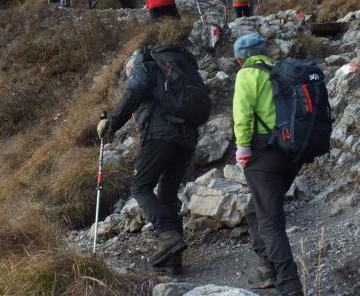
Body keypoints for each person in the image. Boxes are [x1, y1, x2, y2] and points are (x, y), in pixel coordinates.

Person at [97, 46, 208, 274]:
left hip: (160, 135)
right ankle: (174, 261)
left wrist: (111, 124)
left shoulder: (144, 66)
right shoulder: (178, 72)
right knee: (167, 194)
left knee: (140, 186)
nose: (130, 75)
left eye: (129, 72)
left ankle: (168, 237)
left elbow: (133, 92)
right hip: (186, 138)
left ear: (131, 65)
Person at [232, 33, 304, 296]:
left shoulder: (247, 74)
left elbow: (242, 115)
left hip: (265, 154)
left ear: (240, 58)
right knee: (257, 210)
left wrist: (242, 149)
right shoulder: (279, 71)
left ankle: (289, 284)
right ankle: (266, 268)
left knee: (270, 221)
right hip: (291, 153)